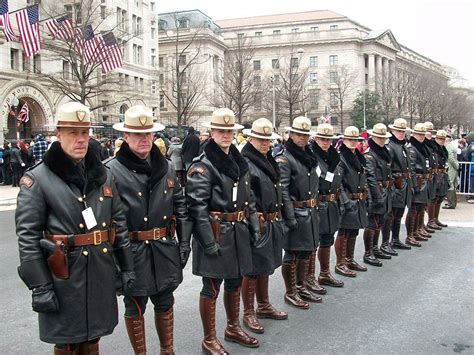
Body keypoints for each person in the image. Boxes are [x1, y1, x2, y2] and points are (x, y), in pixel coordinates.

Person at [15, 102, 135, 354]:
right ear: (58, 134)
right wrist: (40, 287)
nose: (80, 139)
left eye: (84, 132)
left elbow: (118, 225)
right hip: (64, 274)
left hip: (100, 268)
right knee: (68, 340)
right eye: (72, 133)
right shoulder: (37, 179)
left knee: (93, 336)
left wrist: (126, 268)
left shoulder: (102, 174)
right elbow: (27, 239)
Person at [106, 105, 192, 354]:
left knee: (165, 302)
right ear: (125, 137)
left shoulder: (165, 167)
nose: (144, 139)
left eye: (148, 134)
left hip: (163, 247)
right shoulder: (111, 170)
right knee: (135, 306)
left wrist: (185, 243)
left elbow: (181, 207)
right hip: (131, 250)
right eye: (137, 134)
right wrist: (116, 261)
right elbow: (109, 220)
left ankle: (168, 350)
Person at [186, 108, 260, 353]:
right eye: (221, 131)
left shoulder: (238, 163)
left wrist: (254, 227)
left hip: (237, 232)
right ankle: (209, 339)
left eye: (230, 131)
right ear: (212, 132)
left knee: (235, 282)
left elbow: (248, 199)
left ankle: (232, 327)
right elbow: (197, 208)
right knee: (212, 287)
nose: (226, 135)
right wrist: (207, 242)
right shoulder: (203, 167)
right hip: (216, 233)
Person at [240, 118, 288, 334]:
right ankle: (248, 312)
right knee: (251, 270)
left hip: (270, 220)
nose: (265, 143)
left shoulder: (266, 159)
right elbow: (248, 198)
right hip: (257, 220)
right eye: (260, 139)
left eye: (267, 140)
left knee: (265, 265)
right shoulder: (247, 163)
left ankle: (264, 304)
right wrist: (254, 225)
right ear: (251, 139)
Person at [275, 116, 321, 309]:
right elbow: (283, 190)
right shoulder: (285, 159)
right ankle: (291, 291)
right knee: (292, 254)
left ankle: (301, 286)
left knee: (305, 252)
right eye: (298, 134)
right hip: (296, 211)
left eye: (305, 135)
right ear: (291, 134)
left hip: (309, 211)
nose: (302, 138)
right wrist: (289, 216)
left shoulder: (308, 156)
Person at [309, 124, 344, 287]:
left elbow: (337, 179)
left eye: (328, 139)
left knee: (327, 239)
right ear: (316, 139)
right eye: (322, 139)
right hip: (319, 203)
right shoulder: (312, 156)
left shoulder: (332, 156)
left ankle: (324, 273)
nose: (325, 142)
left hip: (331, 203)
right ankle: (309, 279)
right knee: (314, 242)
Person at [336, 126, 369, 276]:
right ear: (344, 140)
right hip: (348, 199)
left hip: (358, 198)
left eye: (355, 140)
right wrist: (345, 201)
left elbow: (363, 177)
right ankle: (340, 262)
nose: (353, 142)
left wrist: (365, 193)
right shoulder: (341, 157)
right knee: (343, 232)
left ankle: (349, 259)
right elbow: (338, 183)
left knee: (353, 231)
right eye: (350, 139)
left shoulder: (357, 156)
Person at [363, 123, 393, 267]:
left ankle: (374, 248)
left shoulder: (382, 152)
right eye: (379, 137)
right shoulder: (370, 155)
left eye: (383, 138)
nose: (381, 140)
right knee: (372, 223)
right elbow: (370, 177)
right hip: (376, 192)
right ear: (373, 137)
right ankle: (368, 252)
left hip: (384, 190)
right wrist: (377, 196)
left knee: (379, 222)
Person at [385, 118, 413, 252]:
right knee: (392, 214)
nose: (401, 133)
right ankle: (388, 241)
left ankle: (395, 239)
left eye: (403, 131)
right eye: (399, 131)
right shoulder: (390, 146)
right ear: (393, 131)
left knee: (399, 213)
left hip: (404, 183)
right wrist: (394, 180)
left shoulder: (402, 146)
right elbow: (387, 168)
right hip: (396, 184)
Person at [405, 123, 431, 247]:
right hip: (418, 181)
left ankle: (416, 231)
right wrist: (414, 185)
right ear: (414, 134)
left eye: (423, 134)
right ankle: (410, 235)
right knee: (414, 209)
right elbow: (412, 169)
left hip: (423, 180)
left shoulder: (420, 147)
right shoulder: (412, 148)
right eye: (419, 134)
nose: (421, 136)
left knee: (420, 208)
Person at [431, 130, 450, 227]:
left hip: (443, 174)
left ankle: (435, 218)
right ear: (436, 138)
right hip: (436, 174)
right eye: (440, 139)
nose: (442, 141)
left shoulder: (443, 149)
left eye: (443, 139)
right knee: (434, 198)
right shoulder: (433, 148)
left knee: (440, 197)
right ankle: (431, 220)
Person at [444, 135, 459, 209]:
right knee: (451, 184)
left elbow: (450, 158)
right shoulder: (452, 146)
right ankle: (453, 202)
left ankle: (451, 203)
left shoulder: (448, 147)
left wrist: (455, 166)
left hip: (450, 167)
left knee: (450, 185)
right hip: (453, 167)